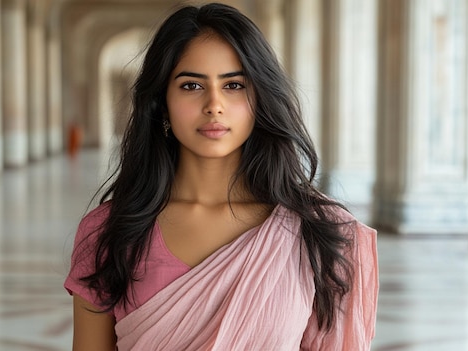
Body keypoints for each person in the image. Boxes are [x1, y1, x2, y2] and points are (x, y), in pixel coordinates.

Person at [65, 3, 378, 350]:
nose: (214, 104)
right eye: (191, 86)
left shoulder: (321, 232)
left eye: (233, 85)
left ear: (260, 98)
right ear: (161, 103)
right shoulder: (108, 233)